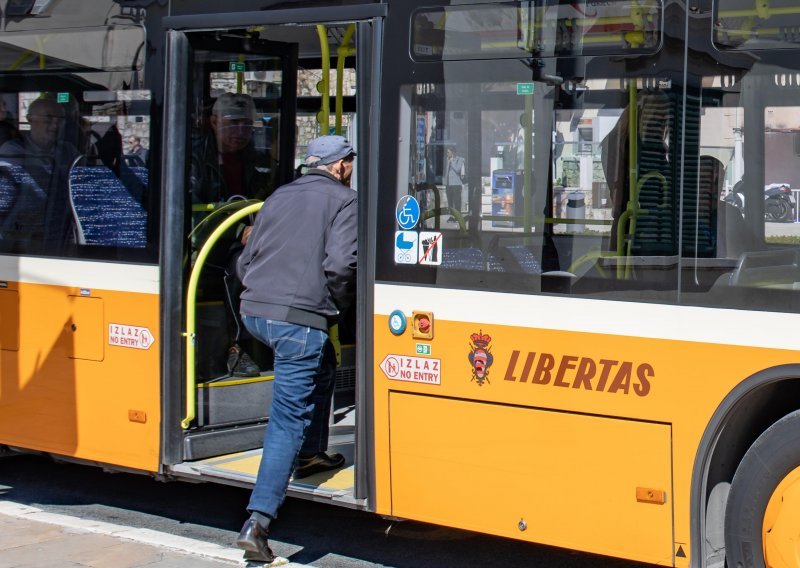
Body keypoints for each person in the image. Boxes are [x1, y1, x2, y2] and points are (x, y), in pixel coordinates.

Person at [234, 135, 357, 565]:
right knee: (287, 417)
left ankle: (311, 454)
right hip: (297, 320)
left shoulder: (279, 195)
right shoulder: (345, 201)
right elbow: (342, 266)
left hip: (255, 311)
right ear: (341, 165)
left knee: (324, 360)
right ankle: (259, 520)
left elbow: (245, 261)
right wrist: (335, 306)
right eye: (350, 162)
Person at [191, 92, 275, 377]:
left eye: (247, 125)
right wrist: (239, 230)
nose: (241, 132)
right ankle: (238, 347)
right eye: (233, 123)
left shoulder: (258, 160)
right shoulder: (193, 159)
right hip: (201, 244)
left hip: (254, 237)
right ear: (214, 122)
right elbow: (192, 213)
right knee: (240, 263)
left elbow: (272, 194)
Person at [0, 97, 79, 252]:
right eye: (49, 118)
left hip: (59, 233)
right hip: (22, 236)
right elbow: (33, 187)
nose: (55, 125)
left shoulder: (67, 150)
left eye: (60, 119)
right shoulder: (13, 151)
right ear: (30, 119)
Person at [445, 147, 465, 222]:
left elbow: (457, 169)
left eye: (448, 152)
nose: (447, 154)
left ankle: (458, 217)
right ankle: (451, 216)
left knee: (457, 201)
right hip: (449, 184)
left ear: (453, 153)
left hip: (456, 184)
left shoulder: (460, 159)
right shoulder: (448, 160)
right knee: (450, 201)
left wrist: (451, 161)